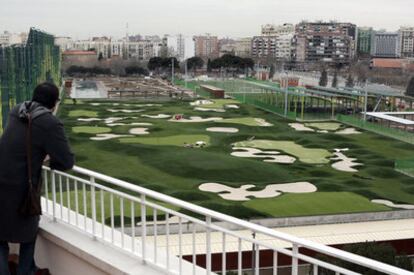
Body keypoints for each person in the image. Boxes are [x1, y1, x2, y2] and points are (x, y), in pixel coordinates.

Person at [0, 82, 74, 275]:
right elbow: (66, 161)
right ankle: (26, 271)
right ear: (54, 103)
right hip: (21, 190)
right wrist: (50, 160)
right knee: (28, 234)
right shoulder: (49, 122)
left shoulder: (18, 110)